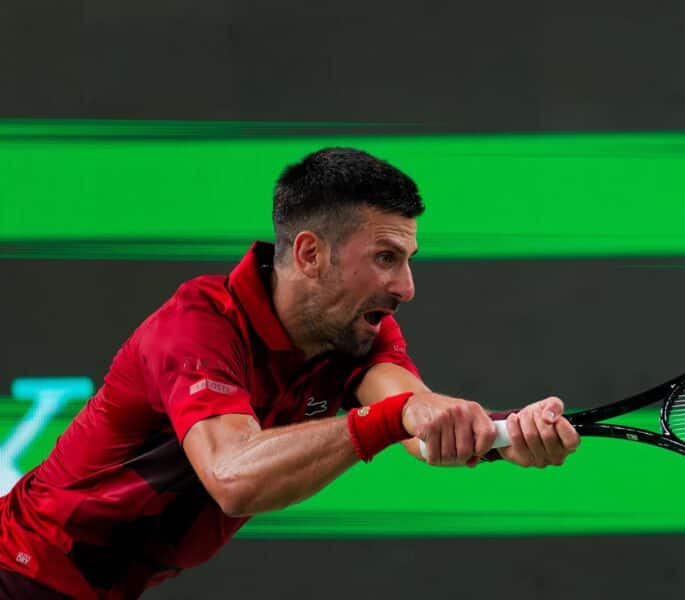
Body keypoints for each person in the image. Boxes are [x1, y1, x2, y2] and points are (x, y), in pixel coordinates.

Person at [0, 148, 580, 599]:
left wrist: (508, 437)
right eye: (385, 258)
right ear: (309, 254)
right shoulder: (197, 326)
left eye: (407, 260)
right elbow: (233, 477)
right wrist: (392, 419)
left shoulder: (357, 329)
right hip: (20, 570)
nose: (406, 287)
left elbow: (418, 423)